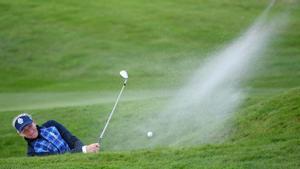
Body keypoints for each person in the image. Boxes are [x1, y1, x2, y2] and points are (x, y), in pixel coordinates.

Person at [12, 113, 100, 156]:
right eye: (25, 131)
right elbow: (58, 159)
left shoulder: (51, 124)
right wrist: (84, 150)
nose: (30, 131)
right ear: (20, 134)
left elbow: (72, 140)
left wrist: (85, 151)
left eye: (30, 126)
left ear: (34, 122)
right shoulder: (32, 153)